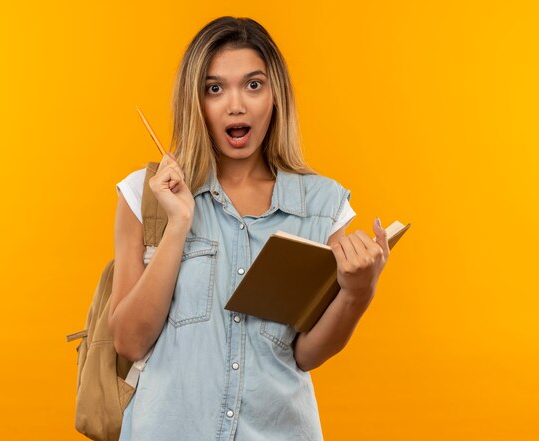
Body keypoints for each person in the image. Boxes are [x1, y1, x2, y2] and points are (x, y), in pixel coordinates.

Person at [108, 16, 390, 440]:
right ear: (195, 100)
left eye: (253, 85)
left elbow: (305, 355)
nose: (235, 105)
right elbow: (129, 342)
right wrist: (179, 223)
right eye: (215, 88)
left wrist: (357, 293)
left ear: (275, 95)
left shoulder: (323, 207)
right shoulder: (146, 195)